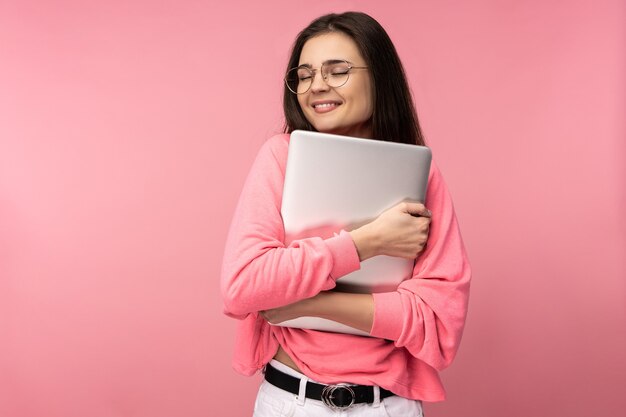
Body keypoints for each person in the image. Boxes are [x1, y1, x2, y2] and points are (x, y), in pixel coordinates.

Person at [221, 11, 471, 417]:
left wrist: (310, 303)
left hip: (388, 407)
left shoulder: (422, 175)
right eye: (303, 74)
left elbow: (439, 325)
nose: (316, 85)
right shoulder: (280, 158)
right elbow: (243, 286)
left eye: (338, 71)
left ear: (381, 77)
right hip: (290, 403)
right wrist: (368, 241)